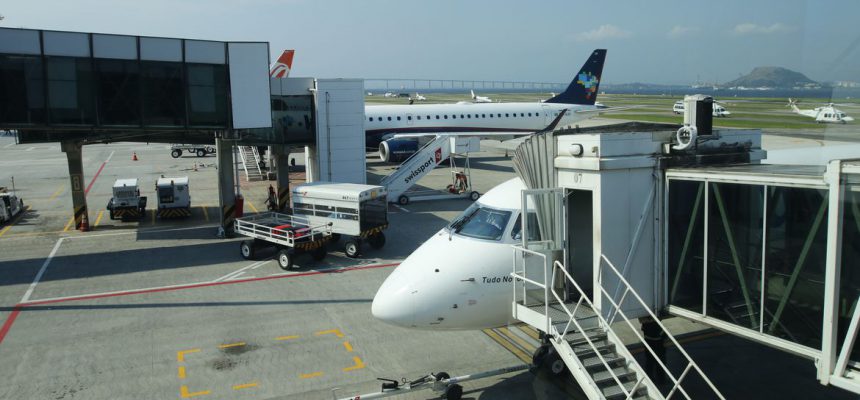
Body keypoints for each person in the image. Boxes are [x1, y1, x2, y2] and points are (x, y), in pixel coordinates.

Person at [640, 316, 667, 385]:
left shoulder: (645, 325)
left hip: (648, 345)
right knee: (660, 364)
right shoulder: (657, 326)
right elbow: (664, 336)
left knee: (649, 363)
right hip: (658, 346)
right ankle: (661, 380)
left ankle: (650, 378)